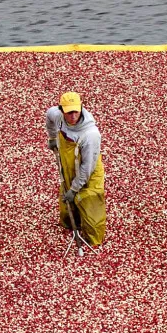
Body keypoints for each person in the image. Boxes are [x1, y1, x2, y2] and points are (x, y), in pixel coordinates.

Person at [44, 91, 107, 247]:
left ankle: (92, 237)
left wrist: (74, 189)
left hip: (88, 171)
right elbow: (49, 116)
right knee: (67, 200)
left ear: (81, 107)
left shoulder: (90, 134)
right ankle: (72, 224)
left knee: (89, 200)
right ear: (61, 110)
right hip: (68, 164)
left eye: (75, 111)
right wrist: (52, 138)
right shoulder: (57, 115)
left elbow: (87, 167)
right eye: (69, 112)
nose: (73, 116)